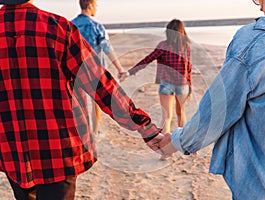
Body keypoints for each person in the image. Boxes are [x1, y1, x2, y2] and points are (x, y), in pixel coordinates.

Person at [0, 0, 163, 199]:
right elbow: (101, 85)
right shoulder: (57, 28)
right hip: (59, 151)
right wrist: (144, 126)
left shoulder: (63, 26)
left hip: (11, 150)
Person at [158, 0, 265, 199]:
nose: (259, 6)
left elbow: (217, 111)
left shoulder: (255, 41)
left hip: (264, 189)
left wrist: (176, 142)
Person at [120, 19, 192, 135]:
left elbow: (148, 59)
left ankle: (165, 152)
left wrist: (129, 72)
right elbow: (189, 68)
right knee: (181, 114)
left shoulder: (163, 45)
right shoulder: (186, 46)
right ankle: (183, 144)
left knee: (167, 117)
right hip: (182, 84)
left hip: (166, 84)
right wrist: (190, 87)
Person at [71, 0, 125, 135]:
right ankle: (94, 131)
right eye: (95, 5)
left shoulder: (70, 24)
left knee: (78, 102)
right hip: (94, 70)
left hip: (74, 69)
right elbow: (107, 48)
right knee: (96, 102)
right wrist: (119, 68)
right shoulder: (96, 26)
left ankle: (82, 131)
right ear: (89, 6)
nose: (96, 8)